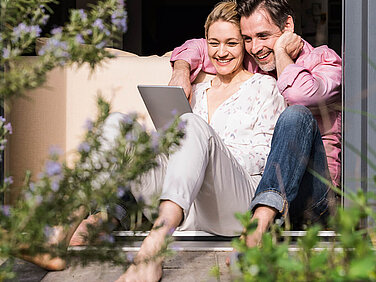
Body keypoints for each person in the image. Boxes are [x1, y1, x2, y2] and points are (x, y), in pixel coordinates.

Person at [113, 1, 286, 281]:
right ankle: (65, 231)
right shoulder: (197, 90)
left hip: (234, 205)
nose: (221, 52)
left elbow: (266, 157)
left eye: (231, 43)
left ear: (244, 45)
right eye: (213, 43)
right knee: (119, 124)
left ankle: (152, 250)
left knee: (193, 125)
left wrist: (211, 151)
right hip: (189, 209)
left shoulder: (264, 87)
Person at [169, 0, 341, 247]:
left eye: (263, 36)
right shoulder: (255, 59)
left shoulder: (323, 61)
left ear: (288, 26)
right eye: (247, 38)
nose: (256, 47)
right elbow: (201, 45)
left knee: (296, 116)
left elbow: (302, 95)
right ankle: (260, 222)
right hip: (262, 196)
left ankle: (257, 229)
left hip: (312, 196)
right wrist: (181, 70)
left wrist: (281, 52)